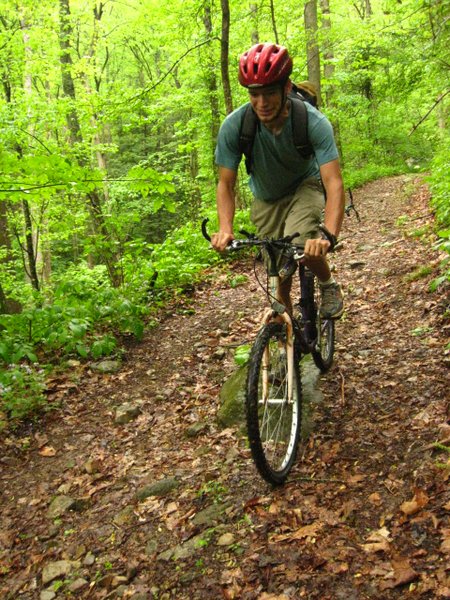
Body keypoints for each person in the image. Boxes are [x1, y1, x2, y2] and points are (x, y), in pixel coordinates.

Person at [210, 42, 345, 319]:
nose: (262, 103)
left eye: (270, 93)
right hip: (266, 196)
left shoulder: (312, 122)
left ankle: (328, 284)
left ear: (286, 88)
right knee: (276, 266)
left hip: (305, 185)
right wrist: (225, 228)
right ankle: (286, 323)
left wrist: (328, 236)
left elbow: (333, 182)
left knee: (303, 245)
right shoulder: (235, 126)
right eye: (254, 94)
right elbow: (225, 184)